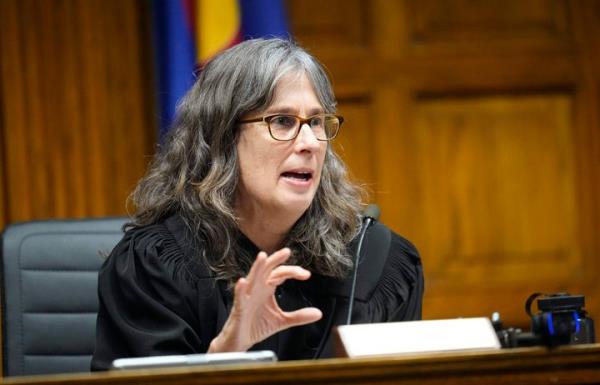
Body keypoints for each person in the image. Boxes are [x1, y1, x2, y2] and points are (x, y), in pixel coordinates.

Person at [91, 38, 423, 371]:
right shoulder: (156, 267)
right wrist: (227, 352)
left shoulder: (377, 262)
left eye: (317, 122)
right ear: (222, 138)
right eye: (282, 121)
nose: (309, 143)